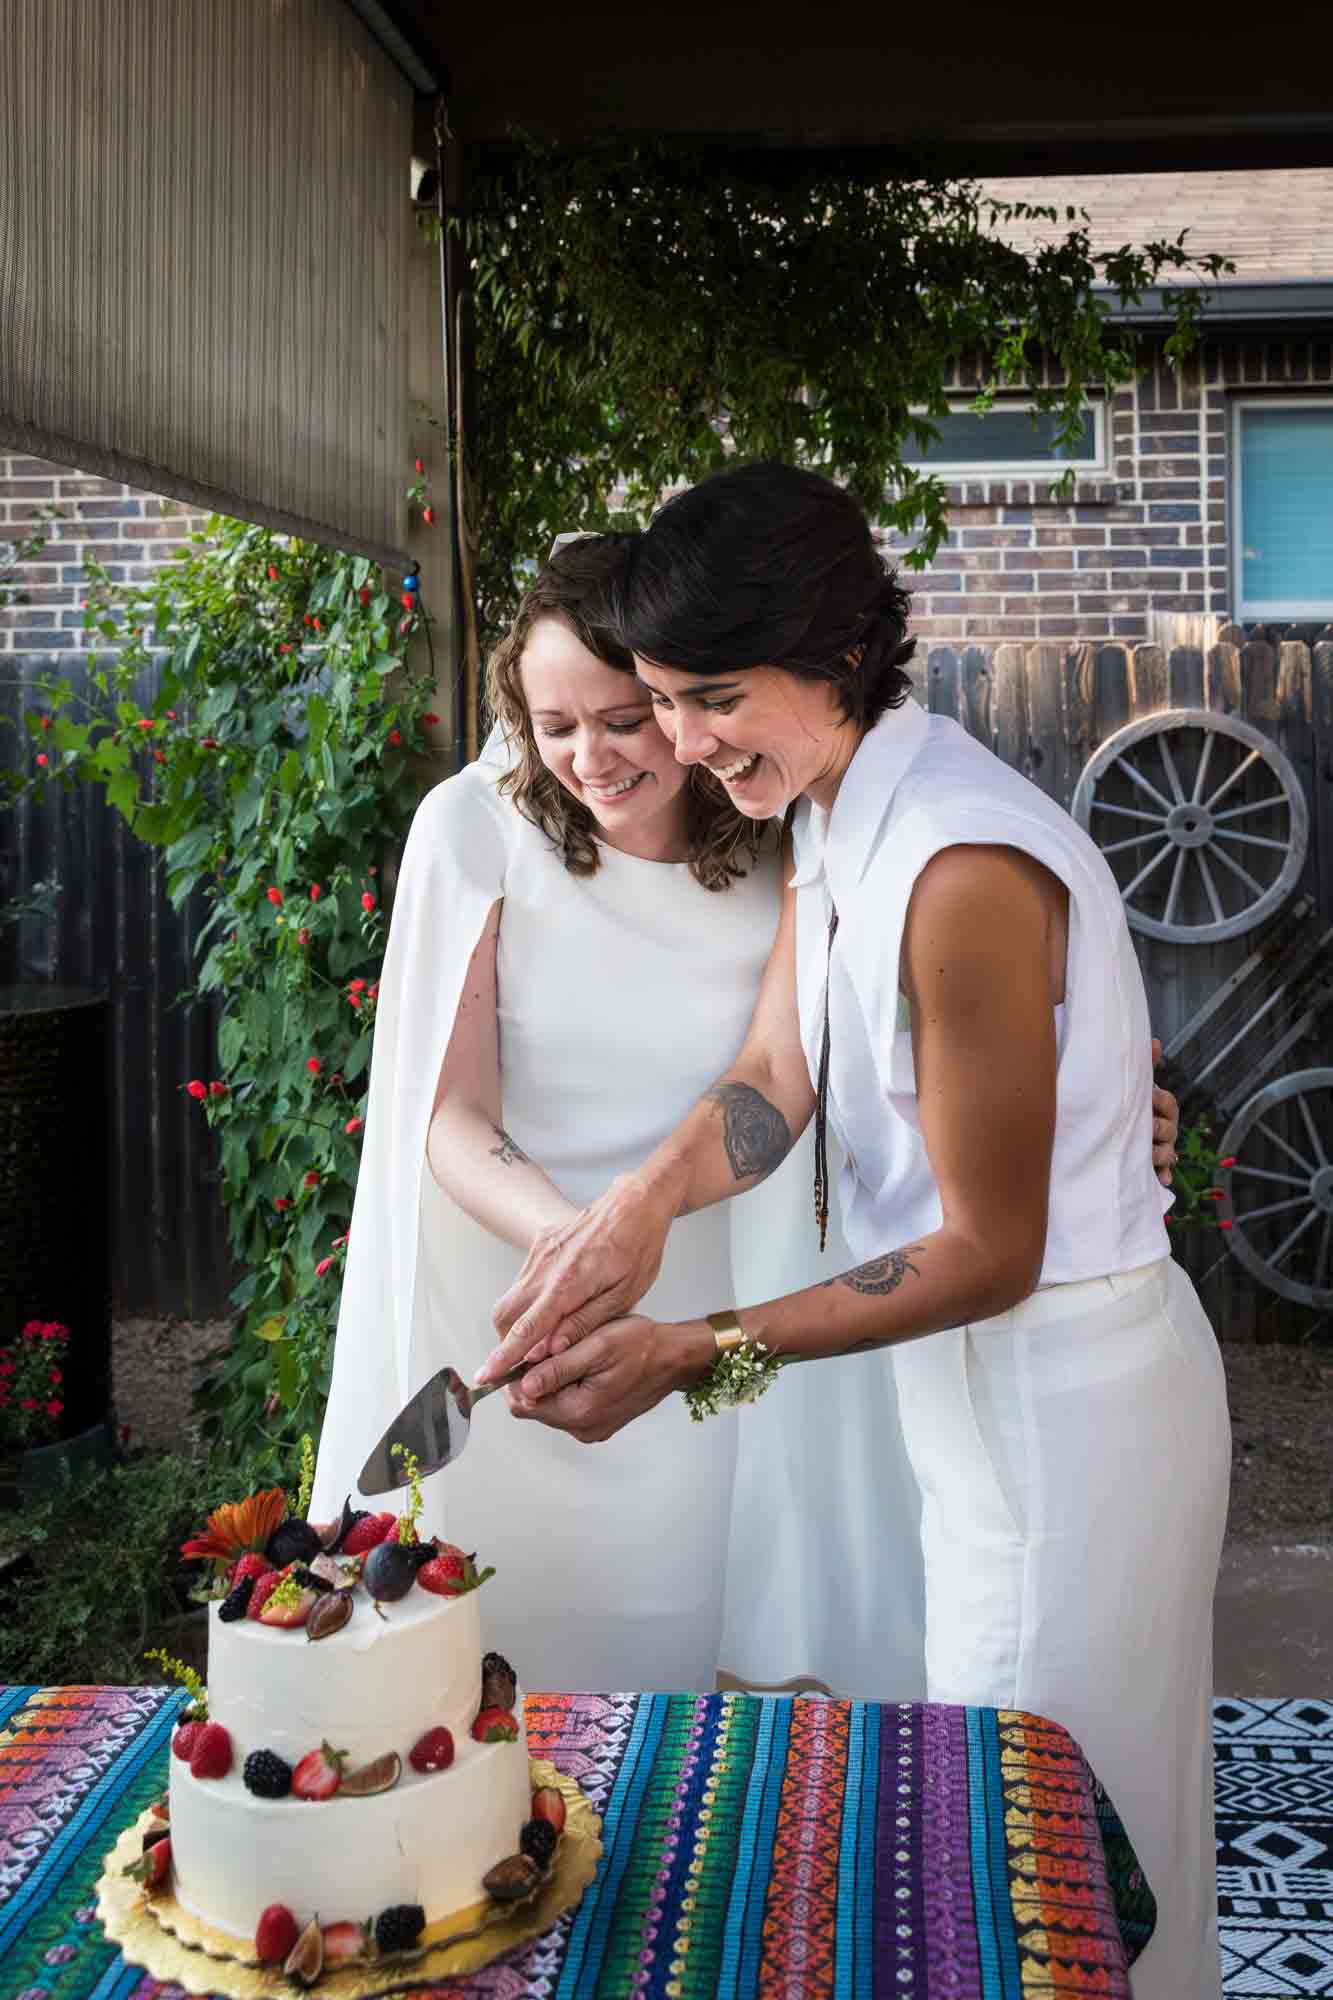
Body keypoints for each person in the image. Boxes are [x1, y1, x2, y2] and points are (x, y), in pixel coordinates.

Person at [479, 464, 1229, 2000]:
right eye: (662, 701)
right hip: (980, 1406)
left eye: (709, 698)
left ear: (829, 656)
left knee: (1054, 1867)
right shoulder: (835, 808)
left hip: (1067, 1414)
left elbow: (987, 1250)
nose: (682, 742)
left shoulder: (954, 865)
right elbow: (773, 1079)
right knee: (1053, 1845)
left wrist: (698, 1350)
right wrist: (639, 1209)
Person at [309, 532, 930, 1693]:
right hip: (512, 1299)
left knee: (691, 1652)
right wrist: (570, 1245)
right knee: (489, 1664)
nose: (589, 757)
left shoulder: (786, 832)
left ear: (680, 702)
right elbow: (446, 1112)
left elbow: (803, 1061)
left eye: (621, 718)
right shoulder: (472, 828)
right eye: (555, 726)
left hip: (698, 1300)